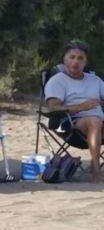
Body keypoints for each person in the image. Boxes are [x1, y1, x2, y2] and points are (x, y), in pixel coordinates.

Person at [43, 39, 104, 183]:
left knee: (96, 121)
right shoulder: (57, 81)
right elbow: (53, 107)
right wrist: (82, 107)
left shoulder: (94, 80)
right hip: (71, 124)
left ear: (85, 62)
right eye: (72, 57)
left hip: (100, 123)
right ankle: (95, 172)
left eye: (80, 58)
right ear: (64, 59)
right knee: (94, 121)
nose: (75, 62)